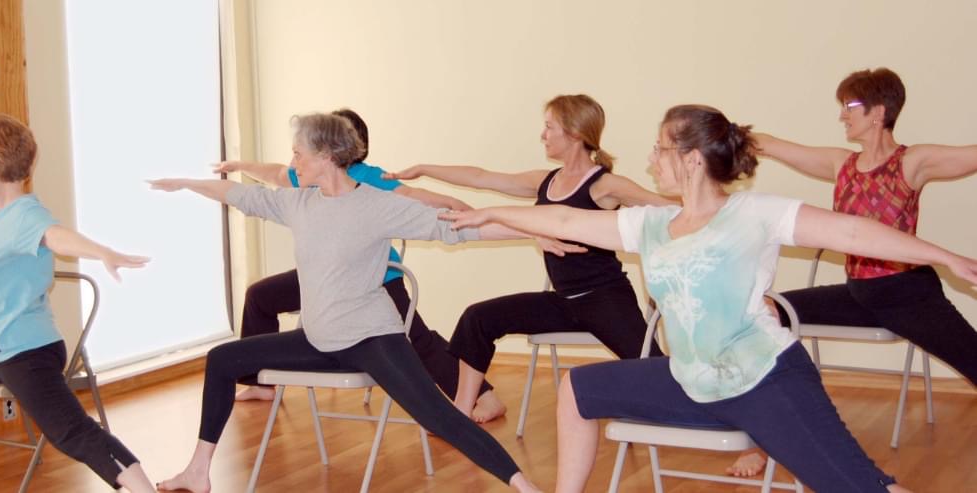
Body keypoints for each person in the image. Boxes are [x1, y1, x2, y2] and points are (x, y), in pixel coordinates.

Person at [439, 104, 972, 491]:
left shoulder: (753, 213)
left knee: (862, 488)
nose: (652, 158)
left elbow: (853, 234)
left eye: (661, 148)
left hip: (768, 380)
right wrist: (492, 213)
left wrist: (942, 257)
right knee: (577, 389)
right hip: (690, 380)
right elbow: (561, 218)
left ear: (692, 159)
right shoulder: (651, 224)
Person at [150, 113, 541, 493]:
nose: (292, 163)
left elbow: (456, 229)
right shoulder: (299, 203)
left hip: (372, 339)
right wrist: (186, 183)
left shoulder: (374, 204)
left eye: (298, 153)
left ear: (325, 155)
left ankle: (523, 485)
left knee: (439, 416)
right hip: (318, 340)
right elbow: (242, 196)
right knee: (222, 359)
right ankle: (198, 471)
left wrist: (537, 229)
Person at [728, 67, 977, 477]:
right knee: (766, 312)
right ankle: (759, 438)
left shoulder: (912, 162)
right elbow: (770, 145)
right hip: (857, 296)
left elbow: (968, 154)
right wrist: (714, 134)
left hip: (909, 295)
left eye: (851, 106)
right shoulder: (840, 163)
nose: (843, 115)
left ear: (879, 112)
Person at [388, 94, 673, 421]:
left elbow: (662, 206)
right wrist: (425, 169)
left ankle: (717, 418)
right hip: (563, 302)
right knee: (478, 318)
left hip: (605, 300)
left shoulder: (605, 185)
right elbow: (482, 177)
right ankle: (460, 414)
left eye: (549, 127)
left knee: (655, 367)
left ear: (575, 133)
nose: (543, 135)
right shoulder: (545, 181)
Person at [0, 114, 154, 491]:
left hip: (26, 352)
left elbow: (55, 237)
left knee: (71, 432)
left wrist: (101, 250)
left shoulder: (26, 216)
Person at [214, 109, 510, 420]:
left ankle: (483, 396)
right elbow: (275, 174)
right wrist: (239, 166)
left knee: (416, 338)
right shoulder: (311, 174)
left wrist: (455, 207)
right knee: (261, 295)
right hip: (327, 277)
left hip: (378, 277)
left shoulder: (368, 177)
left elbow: (411, 194)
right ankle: (258, 382)